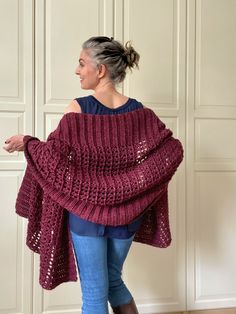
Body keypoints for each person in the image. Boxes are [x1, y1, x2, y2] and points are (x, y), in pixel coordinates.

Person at [3, 36, 183, 314]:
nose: (77, 70)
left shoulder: (79, 108)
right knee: (113, 281)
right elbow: (173, 150)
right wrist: (133, 189)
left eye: (81, 63)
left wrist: (28, 142)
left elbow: (52, 159)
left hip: (86, 216)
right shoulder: (140, 112)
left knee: (95, 295)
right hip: (128, 216)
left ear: (100, 70)